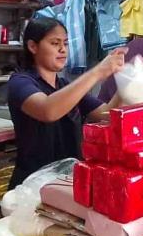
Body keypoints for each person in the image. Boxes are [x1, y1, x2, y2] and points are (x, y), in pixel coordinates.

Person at [8, 17, 126, 190]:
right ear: (33, 46)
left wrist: (126, 84)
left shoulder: (65, 87)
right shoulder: (20, 82)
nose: (63, 49)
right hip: (32, 185)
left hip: (68, 182)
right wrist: (98, 71)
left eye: (65, 43)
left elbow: (107, 115)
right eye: (55, 43)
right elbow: (48, 110)